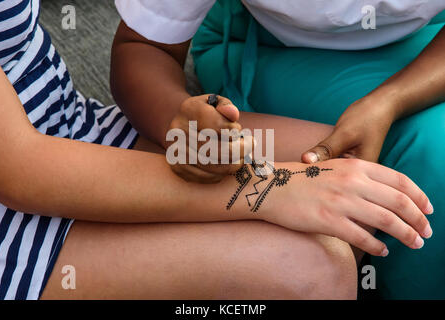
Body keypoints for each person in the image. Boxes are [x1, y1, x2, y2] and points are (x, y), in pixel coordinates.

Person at [112, 0, 445, 299]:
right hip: (277, 42)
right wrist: (181, 127)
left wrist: (389, 101)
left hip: (430, 39)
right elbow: (144, 44)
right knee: (432, 154)